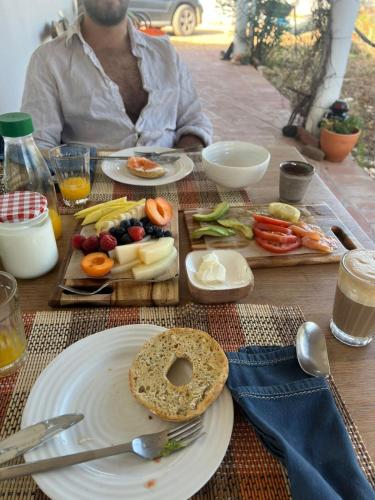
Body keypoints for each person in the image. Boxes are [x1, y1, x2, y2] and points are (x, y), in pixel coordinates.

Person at [21, 0, 212, 150]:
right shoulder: (48, 60)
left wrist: (178, 163)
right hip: (93, 193)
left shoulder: (165, 53)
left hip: (170, 187)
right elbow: (39, 145)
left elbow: (194, 121)